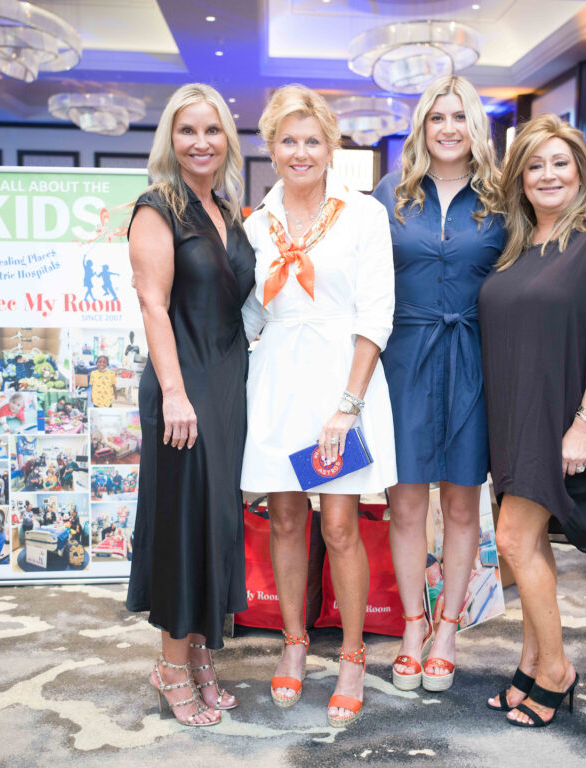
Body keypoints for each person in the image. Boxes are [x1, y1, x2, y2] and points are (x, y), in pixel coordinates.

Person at [240, 84, 397, 728]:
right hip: (278, 382)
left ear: (331, 146)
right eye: (288, 141)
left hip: (340, 383)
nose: (300, 152)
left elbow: (376, 314)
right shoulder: (256, 224)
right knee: (283, 519)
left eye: (312, 140)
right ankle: (295, 642)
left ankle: (353, 655)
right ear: (271, 148)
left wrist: (349, 405)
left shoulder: (363, 215)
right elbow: (249, 315)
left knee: (338, 525)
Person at [478, 115, 586, 727]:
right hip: (510, 413)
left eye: (559, 163)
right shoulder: (515, 245)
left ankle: (556, 670)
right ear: (519, 178)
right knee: (530, 542)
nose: (548, 175)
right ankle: (529, 665)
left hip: (557, 416)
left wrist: (585, 423)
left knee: (514, 540)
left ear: (580, 170)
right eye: (535, 165)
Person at [124, 83, 254, 728]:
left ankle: (201, 655)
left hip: (227, 383)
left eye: (212, 129)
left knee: (215, 522)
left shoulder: (226, 207)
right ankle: (171, 666)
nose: (200, 142)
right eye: (187, 130)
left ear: (227, 137)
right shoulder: (158, 207)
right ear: (169, 140)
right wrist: (175, 392)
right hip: (184, 385)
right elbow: (153, 305)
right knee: (183, 524)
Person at [371, 76, 504, 693]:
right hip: (404, 359)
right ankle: (412, 626)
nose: (448, 129)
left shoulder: (502, 198)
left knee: (461, 503)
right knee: (405, 503)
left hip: (474, 357)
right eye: (436, 118)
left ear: (475, 127)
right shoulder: (390, 195)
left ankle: (448, 629)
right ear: (422, 127)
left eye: (459, 117)